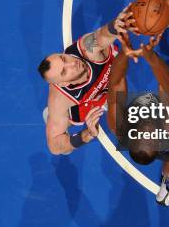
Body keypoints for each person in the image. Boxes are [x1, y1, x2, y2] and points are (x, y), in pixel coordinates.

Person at [107, 33, 169, 206]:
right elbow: (168, 85)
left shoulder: (119, 127)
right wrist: (150, 56)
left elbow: (116, 83)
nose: (147, 129)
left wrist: (125, 52)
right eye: (151, 136)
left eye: (142, 135)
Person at [38, 9, 128, 155]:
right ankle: (60, 118)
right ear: (62, 84)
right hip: (88, 101)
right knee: (121, 129)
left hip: (111, 74)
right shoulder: (59, 99)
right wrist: (86, 135)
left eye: (64, 58)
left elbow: (101, 36)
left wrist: (114, 26)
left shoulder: (86, 48)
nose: (72, 64)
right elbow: (54, 146)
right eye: (64, 72)